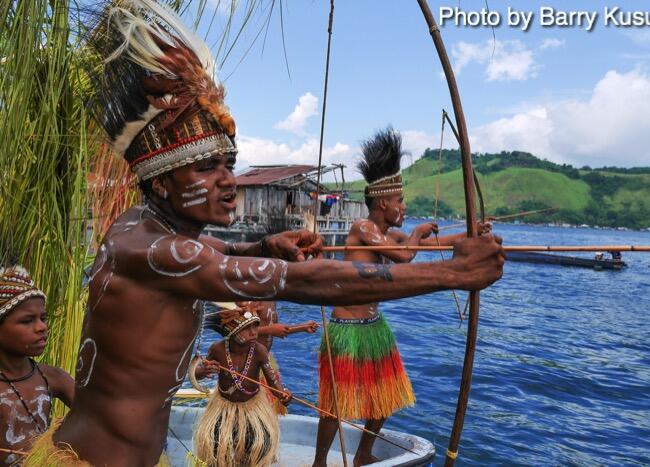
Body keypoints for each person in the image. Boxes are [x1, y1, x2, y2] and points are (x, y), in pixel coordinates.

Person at [26, 3, 504, 465]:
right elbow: (301, 281)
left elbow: (215, 250)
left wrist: (261, 244)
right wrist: (455, 272)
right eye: (206, 169)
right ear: (161, 181)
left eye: (229, 166)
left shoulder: (139, 226)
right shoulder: (158, 251)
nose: (229, 182)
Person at [313, 128, 487, 467]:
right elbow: (406, 255)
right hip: (346, 328)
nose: (404, 208)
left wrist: (473, 232)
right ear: (383, 203)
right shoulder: (362, 229)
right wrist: (419, 234)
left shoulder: (390, 233)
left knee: (384, 399)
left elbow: (437, 243)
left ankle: (363, 454)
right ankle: (320, 462)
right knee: (336, 403)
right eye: (399, 202)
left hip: (374, 326)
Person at [192, 308, 291, 466]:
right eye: (248, 328)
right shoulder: (217, 349)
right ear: (232, 331)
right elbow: (196, 374)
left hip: (252, 408)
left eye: (255, 327)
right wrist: (202, 371)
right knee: (216, 446)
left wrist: (283, 395)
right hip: (223, 408)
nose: (254, 333)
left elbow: (273, 383)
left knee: (258, 445)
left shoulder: (259, 351)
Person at [0, 265, 74, 466]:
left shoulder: (52, 377)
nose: (42, 327)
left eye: (43, 318)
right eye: (27, 320)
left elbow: (97, 414)